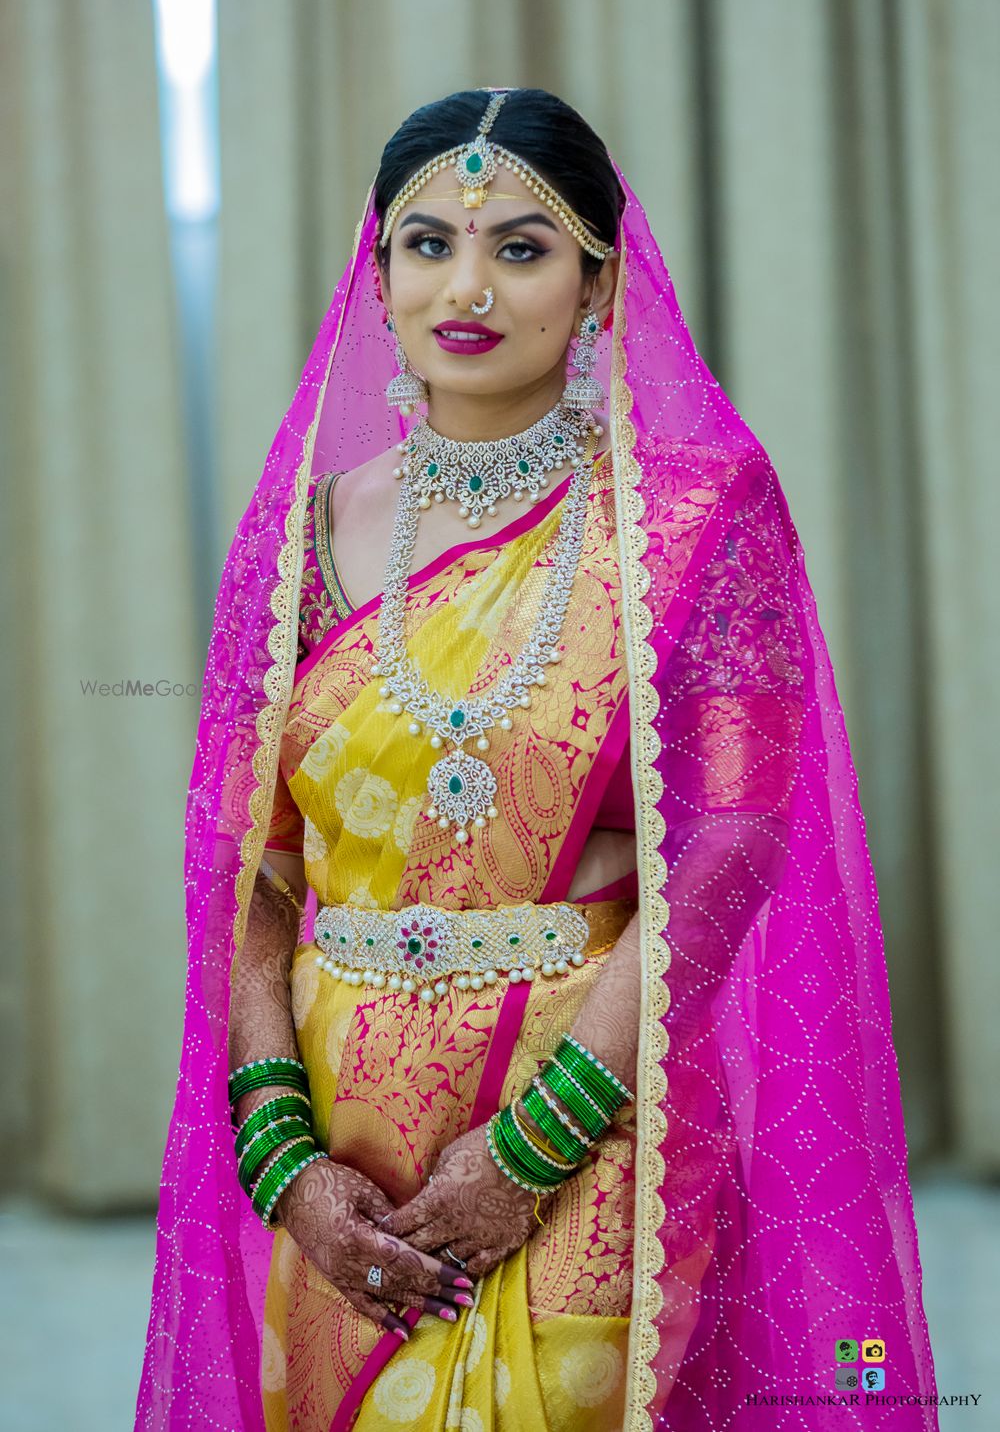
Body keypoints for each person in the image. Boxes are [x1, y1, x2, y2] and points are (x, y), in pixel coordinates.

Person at [136, 88, 938, 1431]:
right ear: (376, 270)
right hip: (347, 1114)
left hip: (592, 1082)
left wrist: (540, 1142)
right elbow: (247, 863)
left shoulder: (695, 513)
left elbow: (735, 838)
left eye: (521, 246)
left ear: (599, 282)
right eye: (426, 242)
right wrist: (283, 1153)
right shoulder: (303, 533)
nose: (467, 284)